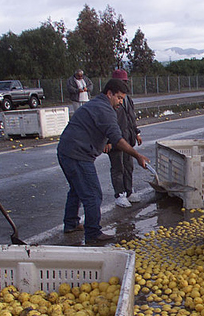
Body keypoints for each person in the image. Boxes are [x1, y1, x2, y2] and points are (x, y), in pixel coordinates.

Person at [57, 78, 150, 245]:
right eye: (119, 98)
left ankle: (71, 223)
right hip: (77, 154)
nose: (121, 102)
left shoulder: (97, 104)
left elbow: (102, 129)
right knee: (92, 194)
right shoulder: (104, 109)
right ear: (109, 94)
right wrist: (137, 156)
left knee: (77, 190)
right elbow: (117, 139)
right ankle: (93, 233)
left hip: (67, 151)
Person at [107, 69, 144, 207]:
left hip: (128, 138)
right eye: (121, 82)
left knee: (128, 165)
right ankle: (120, 194)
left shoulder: (128, 99)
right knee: (118, 167)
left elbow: (131, 118)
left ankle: (129, 191)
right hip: (115, 139)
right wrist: (108, 141)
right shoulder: (110, 101)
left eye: (125, 82)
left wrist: (136, 133)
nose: (124, 85)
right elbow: (105, 123)